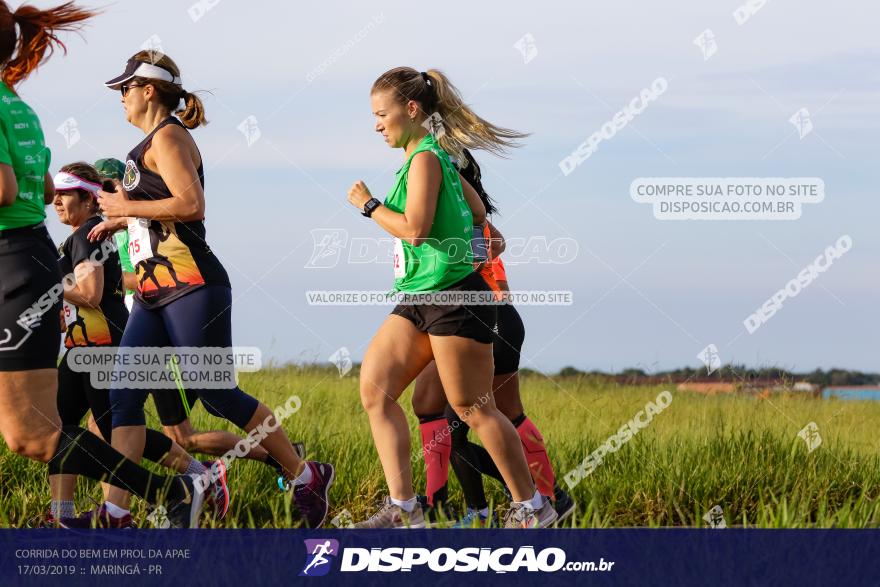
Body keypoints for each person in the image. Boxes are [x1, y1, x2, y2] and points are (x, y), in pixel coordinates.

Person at [92, 49, 333, 528]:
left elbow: (191, 203)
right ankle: (115, 514)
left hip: (192, 286)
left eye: (125, 88)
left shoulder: (169, 136)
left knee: (216, 394)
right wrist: (123, 219)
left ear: (148, 90)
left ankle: (305, 476)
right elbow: (161, 211)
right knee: (122, 397)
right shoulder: (146, 145)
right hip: (153, 292)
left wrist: (130, 210)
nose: (120, 97)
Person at [0, 0, 210, 529]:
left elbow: (6, 190)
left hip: (28, 281)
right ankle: (140, 498)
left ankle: (173, 491)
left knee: (41, 435)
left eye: (127, 90)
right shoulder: (16, 105)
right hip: (27, 268)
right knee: (54, 429)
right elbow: (41, 187)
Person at [347, 67, 557, 528]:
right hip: (418, 297)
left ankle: (533, 507)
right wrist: (475, 243)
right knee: (376, 390)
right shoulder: (428, 158)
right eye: (375, 116)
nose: (377, 124)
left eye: (382, 114)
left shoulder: (425, 159)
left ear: (412, 109)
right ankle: (404, 509)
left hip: (456, 298)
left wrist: (369, 205)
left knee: (474, 409)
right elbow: (480, 212)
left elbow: (416, 230)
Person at [92, 157, 306, 479]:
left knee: (186, 431)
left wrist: (111, 281)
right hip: (148, 322)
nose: (104, 196)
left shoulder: (137, 220)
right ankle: (133, 504)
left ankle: (276, 461)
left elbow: (154, 272)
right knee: (116, 412)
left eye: (110, 186)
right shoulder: (118, 227)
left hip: (169, 328)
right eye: (98, 190)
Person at [50, 162, 227, 528]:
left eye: (66, 194)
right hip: (81, 348)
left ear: (88, 199)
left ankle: (197, 477)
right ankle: (62, 516)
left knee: (115, 431)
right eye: (56, 194)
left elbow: (90, 293)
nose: (57, 200)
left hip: (103, 346)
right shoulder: (78, 236)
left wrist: (46, 286)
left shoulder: (87, 236)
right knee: (61, 429)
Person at [413, 149, 576, 527]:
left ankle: (531, 499)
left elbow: (470, 255)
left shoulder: (458, 214)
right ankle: (536, 498)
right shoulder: (467, 213)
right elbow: (491, 242)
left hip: (481, 318)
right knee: (466, 413)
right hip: (488, 317)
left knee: (459, 422)